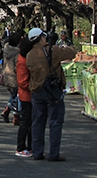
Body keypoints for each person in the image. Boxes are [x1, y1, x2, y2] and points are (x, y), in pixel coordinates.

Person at [26, 28, 76, 162]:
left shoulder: (30, 55)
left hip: (37, 91)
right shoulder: (51, 50)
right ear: (42, 38)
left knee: (37, 122)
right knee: (55, 122)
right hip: (53, 91)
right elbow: (72, 52)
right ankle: (53, 154)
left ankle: (37, 152)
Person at [15, 32, 39, 157]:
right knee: (26, 122)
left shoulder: (24, 58)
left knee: (30, 122)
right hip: (26, 95)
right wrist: (35, 86)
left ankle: (30, 147)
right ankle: (20, 147)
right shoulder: (23, 61)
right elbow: (22, 81)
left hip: (28, 95)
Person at [0, 30, 23, 124]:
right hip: (14, 77)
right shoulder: (17, 53)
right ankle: (14, 115)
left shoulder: (6, 49)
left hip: (6, 75)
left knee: (13, 95)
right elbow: (18, 66)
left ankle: (7, 110)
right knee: (16, 96)